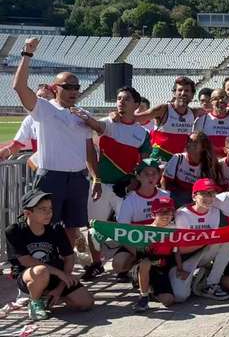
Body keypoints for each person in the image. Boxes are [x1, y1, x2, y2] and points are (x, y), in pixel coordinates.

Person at [12, 39, 98, 249]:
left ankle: (67, 268)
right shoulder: (44, 108)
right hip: (51, 176)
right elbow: (19, 87)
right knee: (43, 225)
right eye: (68, 87)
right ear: (55, 88)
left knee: (72, 227)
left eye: (77, 87)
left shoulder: (83, 114)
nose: (74, 91)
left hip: (78, 178)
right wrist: (27, 54)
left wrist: (96, 177)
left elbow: (89, 150)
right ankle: (44, 265)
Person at [74, 85, 152, 279]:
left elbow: (142, 163)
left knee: (126, 228)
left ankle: (127, 264)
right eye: (118, 98)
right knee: (95, 227)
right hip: (100, 185)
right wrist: (81, 113)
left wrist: (132, 181)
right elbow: (92, 124)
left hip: (124, 189)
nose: (121, 102)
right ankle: (96, 263)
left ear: (136, 104)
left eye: (126, 99)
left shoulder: (142, 134)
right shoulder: (108, 123)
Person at [5, 189, 94, 321]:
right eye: (42, 209)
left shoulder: (56, 229)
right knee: (41, 271)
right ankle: (34, 302)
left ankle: (48, 296)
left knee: (86, 303)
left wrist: (60, 287)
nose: (49, 213)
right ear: (28, 213)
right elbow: (26, 260)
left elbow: (69, 258)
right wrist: (60, 274)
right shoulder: (14, 231)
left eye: (50, 208)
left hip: (55, 276)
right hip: (28, 276)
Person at [169, 178, 229, 302]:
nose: (209, 197)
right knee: (180, 296)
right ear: (194, 196)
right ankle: (198, 276)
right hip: (184, 258)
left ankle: (211, 283)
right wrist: (180, 269)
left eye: (212, 193)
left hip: (204, 253)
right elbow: (178, 248)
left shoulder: (216, 212)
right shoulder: (182, 214)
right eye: (205, 193)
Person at [113, 159, 168, 279]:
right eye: (146, 173)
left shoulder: (165, 195)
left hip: (160, 241)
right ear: (138, 176)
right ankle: (137, 266)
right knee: (119, 263)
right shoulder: (130, 200)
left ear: (159, 175)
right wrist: (139, 252)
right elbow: (122, 231)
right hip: (137, 241)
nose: (151, 177)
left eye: (154, 173)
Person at [137, 75, 202, 162]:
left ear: (192, 95)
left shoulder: (193, 112)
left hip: (179, 161)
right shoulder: (163, 109)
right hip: (159, 160)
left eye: (187, 90)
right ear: (174, 93)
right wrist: (117, 115)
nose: (183, 93)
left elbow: (213, 111)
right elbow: (138, 118)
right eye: (180, 90)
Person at [131, 196, 177, 313]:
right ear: (153, 214)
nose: (166, 215)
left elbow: (176, 253)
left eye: (169, 211)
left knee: (169, 300)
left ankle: (151, 292)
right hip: (145, 268)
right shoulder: (144, 230)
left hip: (162, 269)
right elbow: (139, 254)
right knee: (146, 263)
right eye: (161, 212)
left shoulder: (175, 230)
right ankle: (143, 296)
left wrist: (181, 268)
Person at [163, 131, 224, 207]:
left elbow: (210, 188)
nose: (189, 144)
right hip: (176, 197)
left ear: (203, 147)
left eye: (194, 142)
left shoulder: (209, 164)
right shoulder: (178, 158)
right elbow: (165, 182)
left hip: (197, 199)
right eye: (189, 141)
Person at [193, 88, 229, 158]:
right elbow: (196, 144)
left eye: (223, 97)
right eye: (216, 98)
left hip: (228, 163)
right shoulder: (202, 120)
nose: (220, 100)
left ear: (228, 100)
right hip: (208, 162)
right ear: (211, 101)